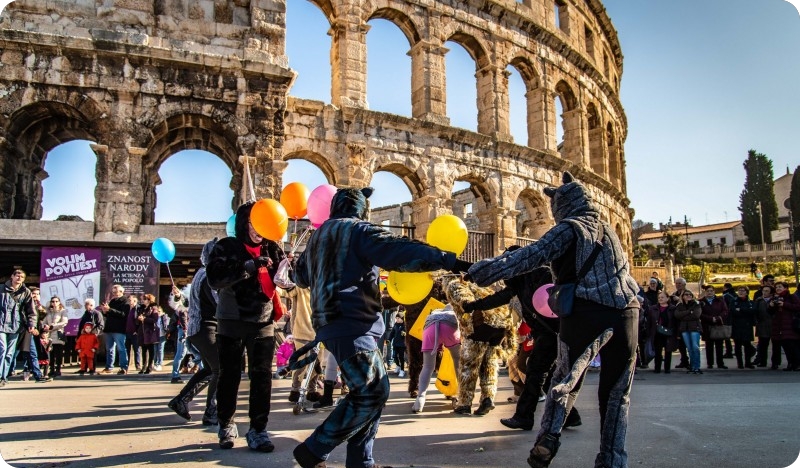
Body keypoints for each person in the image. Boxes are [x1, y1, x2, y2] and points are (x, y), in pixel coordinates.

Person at [466, 172, 640, 468]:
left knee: (564, 382)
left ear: (562, 205)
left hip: (585, 312)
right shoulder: (610, 232)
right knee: (617, 394)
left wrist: (482, 272)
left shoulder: (569, 228)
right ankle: (612, 460)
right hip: (627, 313)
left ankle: (548, 438)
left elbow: (530, 256)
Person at [292, 187, 471, 468]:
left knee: (366, 391)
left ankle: (361, 461)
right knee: (372, 391)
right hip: (351, 320)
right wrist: (448, 259)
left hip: (330, 322)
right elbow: (398, 250)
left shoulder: (317, 237)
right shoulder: (357, 230)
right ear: (361, 209)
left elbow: (300, 277)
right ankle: (314, 449)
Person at [461, 248, 581, 430]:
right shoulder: (520, 281)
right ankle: (569, 415)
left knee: (535, 372)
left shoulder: (540, 274)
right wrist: (473, 305)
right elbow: (500, 297)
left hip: (552, 331)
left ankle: (524, 416)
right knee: (546, 375)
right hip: (544, 331)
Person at [206, 200, 289, 452]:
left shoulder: (273, 248)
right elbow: (214, 279)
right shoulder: (226, 246)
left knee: (262, 376)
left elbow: (285, 282)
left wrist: (289, 270)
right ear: (244, 223)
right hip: (231, 319)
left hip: (263, 320)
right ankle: (226, 424)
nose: (257, 229)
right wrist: (246, 267)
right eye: (253, 223)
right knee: (230, 374)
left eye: (262, 224)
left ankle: (258, 430)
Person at [168, 238, 221, 426]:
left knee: (209, 369)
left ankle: (181, 400)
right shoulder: (209, 275)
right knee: (221, 369)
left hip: (198, 329)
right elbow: (218, 303)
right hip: (206, 328)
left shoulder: (201, 273)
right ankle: (211, 412)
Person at [411, 303, 461, 413]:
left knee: (427, 367)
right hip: (450, 327)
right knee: (457, 361)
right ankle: (461, 395)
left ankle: (420, 399)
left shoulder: (435, 312)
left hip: (430, 328)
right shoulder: (455, 312)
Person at [99, 284, 130, 375]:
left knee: (121, 349)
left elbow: (123, 314)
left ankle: (123, 367)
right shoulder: (112, 301)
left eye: (116, 292)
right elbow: (108, 314)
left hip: (119, 329)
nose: (115, 294)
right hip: (109, 328)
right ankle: (109, 367)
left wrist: (109, 310)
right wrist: (104, 311)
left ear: (121, 292)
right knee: (109, 349)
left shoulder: (125, 301)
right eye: (113, 292)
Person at [769, 281, 800, 371]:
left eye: (780, 287)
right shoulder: (775, 298)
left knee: (792, 346)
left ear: (785, 288)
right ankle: (790, 364)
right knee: (786, 347)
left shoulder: (791, 297)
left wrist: (784, 304)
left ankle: (797, 364)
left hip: (790, 325)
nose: (778, 288)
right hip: (779, 326)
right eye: (776, 287)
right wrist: (771, 306)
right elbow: (770, 312)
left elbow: (797, 307)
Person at [699, 285, 728, 369]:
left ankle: (720, 363)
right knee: (709, 346)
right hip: (707, 325)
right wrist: (710, 319)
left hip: (718, 325)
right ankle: (710, 363)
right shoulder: (701, 302)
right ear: (705, 292)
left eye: (711, 291)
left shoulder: (720, 300)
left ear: (714, 292)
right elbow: (700, 313)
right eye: (708, 291)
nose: (709, 292)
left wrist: (718, 318)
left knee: (719, 345)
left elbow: (725, 311)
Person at [674, 290, 703, 374]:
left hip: (694, 328)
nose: (688, 296)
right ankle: (692, 366)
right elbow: (677, 315)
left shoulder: (696, 304)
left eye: (690, 294)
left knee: (695, 347)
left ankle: (697, 367)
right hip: (684, 329)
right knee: (689, 348)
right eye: (686, 294)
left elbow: (696, 315)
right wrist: (689, 312)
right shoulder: (680, 305)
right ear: (683, 296)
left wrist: (684, 316)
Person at [648, 291, 676, 374]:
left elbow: (676, 322)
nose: (660, 299)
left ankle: (667, 368)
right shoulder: (653, 308)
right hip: (657, 333)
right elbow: (649, 322)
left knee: (668, 351)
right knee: (658, 351)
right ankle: (657, 368)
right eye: (659, 297)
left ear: (667, 298)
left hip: (669, 332)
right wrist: (648, 332)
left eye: (662, 297)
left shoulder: (673, 308)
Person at [729, 286, 756, 369]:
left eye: (743, 290)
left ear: (747, 292)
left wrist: (741, 310)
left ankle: (748, 362)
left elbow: (752, 311)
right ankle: (739, 363)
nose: (740, 292)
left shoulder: (750, 302)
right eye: (739, 290)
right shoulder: (734, 301)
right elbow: (733, 311)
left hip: (747, 326)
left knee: (747, 345)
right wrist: (745, 311)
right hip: (736, 326)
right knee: (737, 345)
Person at [42, 295, 69, 378]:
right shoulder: (48, 312)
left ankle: (58, 369)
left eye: (56, 301)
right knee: (51, 354)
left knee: (58, 354)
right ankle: (52, 369)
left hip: (58, 335)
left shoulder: (62, 311)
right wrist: (45, 326)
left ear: (59, 302)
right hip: (49, 336)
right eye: (53, 301)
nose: (54, 303)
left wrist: (53, 326)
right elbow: (44, 322)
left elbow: (64, 322)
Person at [167, 285, 189, 383]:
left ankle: (206, 373)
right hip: (185, 329)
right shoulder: (184, 304)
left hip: (190, 329)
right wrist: (178, 295)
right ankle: (175, 376)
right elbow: (183, 303)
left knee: (198, 352)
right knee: (181, 353)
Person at [754, 285, 779, 368]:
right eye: (763, 291)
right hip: (762, 325)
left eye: (767, 291)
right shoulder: (759, 300)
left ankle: (775, 363)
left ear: (771, 293)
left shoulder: (775, 300)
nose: (764, 292)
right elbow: (755, 312)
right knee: (763, 345)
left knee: (776, 346)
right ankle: (762, 361)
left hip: (773, 325)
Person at [669, 277, 691, 369]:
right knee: (680, 343)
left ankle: (691, 362)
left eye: (680, 283)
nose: (678, 285)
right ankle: (684, 360)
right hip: (677, 322)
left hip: (686, 322)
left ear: (684, 284)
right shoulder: (674, 294)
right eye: (677, 283)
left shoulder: (688, 293)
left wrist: (679, 300)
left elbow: (690, 305)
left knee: (688, 343)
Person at [137, 294, 160, 374]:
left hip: (149, 331)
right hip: (142, 331)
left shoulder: (153, 308)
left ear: (149, 300)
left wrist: (145, 319)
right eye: (143, 299)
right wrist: (139, 318)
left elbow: (155, 320)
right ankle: (143, 366)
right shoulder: (142, 308)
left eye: (145, 299)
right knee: (143, 350)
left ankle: (150, 367)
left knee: (150, 349)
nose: (143, 300)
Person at [125, 295, 142, 371]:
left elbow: (140, 321)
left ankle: (138, 365)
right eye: (128, 300)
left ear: (135, 301)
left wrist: (137, 331)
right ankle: (126, 365)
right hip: (127, 332)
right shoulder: (127, 309)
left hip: (135, 333)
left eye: (130, 300)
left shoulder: (138, 309)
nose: (129, 302)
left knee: (137, 349)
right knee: (126, 350)